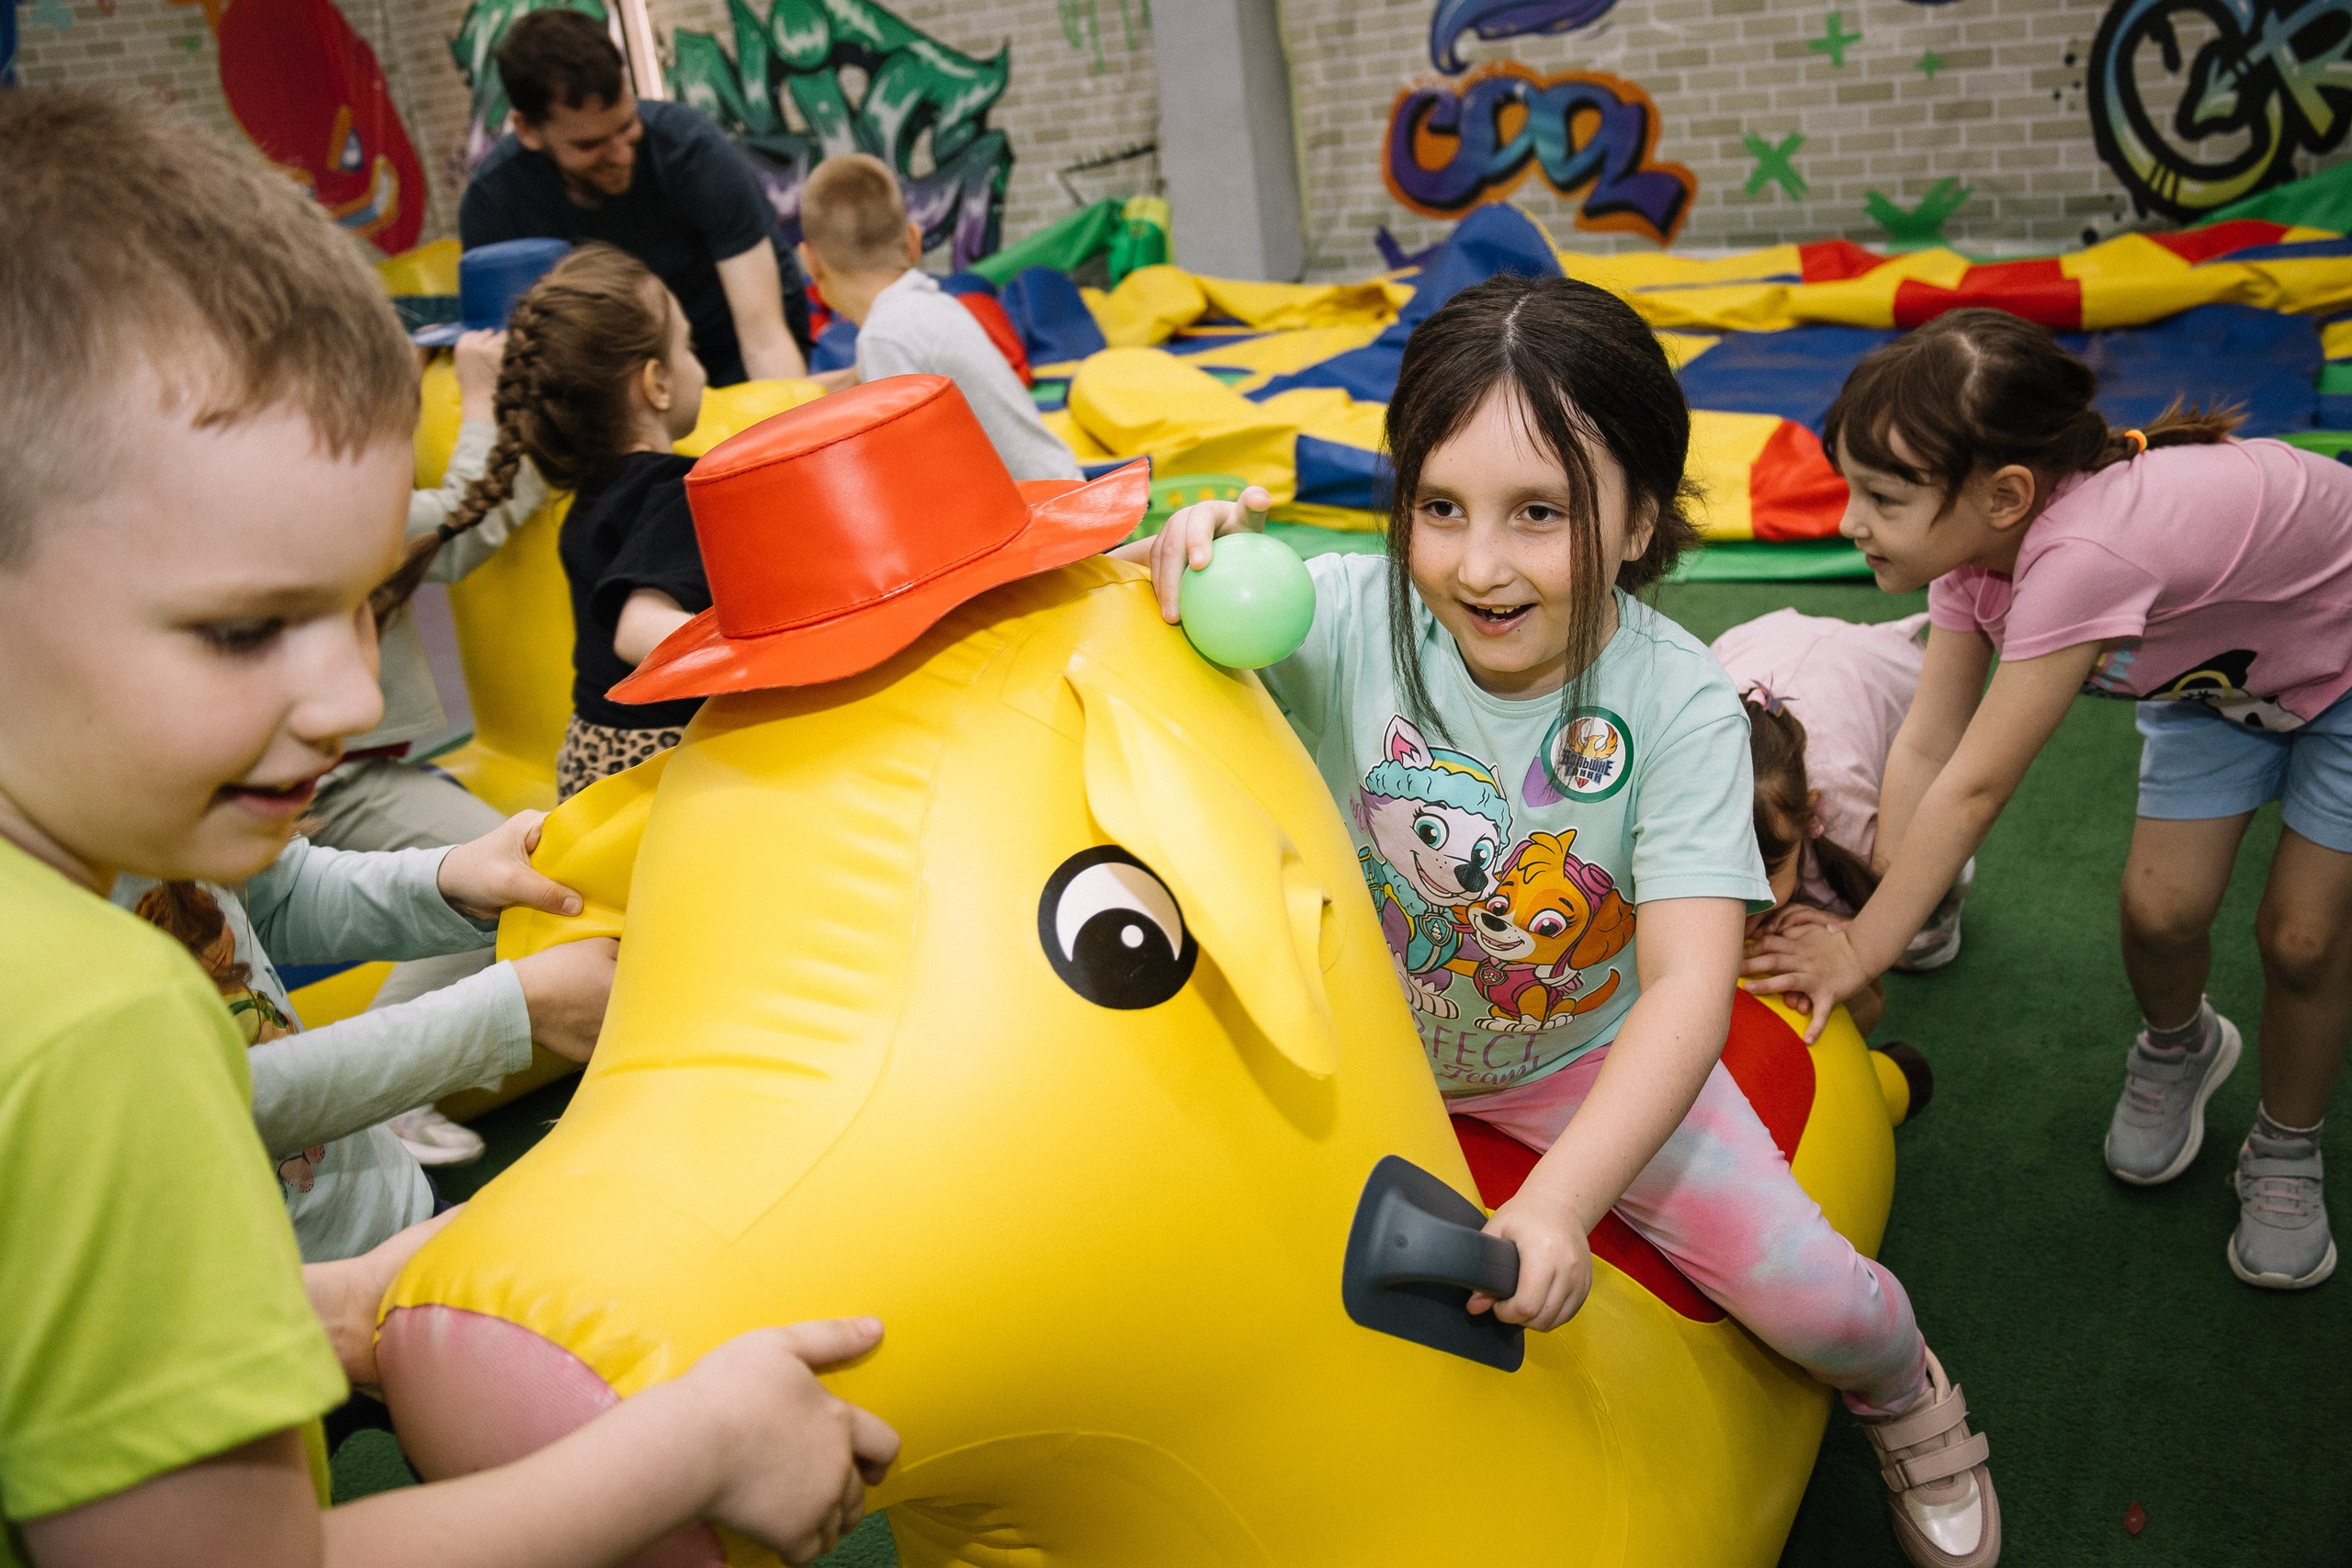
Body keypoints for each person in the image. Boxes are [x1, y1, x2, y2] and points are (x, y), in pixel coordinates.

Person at [0, 86, 894, 1565]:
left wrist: (322, 1311)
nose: (355, 694)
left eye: (364, 606)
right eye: (240, 630)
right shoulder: (108, 1026)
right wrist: (694, 1443)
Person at [1127, 275, 2000, 1568]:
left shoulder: (1684, 705)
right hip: (1363, 1053)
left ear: (1641, 514)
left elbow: (1691, 991)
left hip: (1578, 1057)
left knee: (1813, 1290)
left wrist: (1555, 1203)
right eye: (1439, 508)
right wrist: (1178, 556)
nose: (1480, 565)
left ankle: (1907, 1390)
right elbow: (1141, 657)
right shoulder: (1340, 616)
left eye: (1539, 513)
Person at [1746, 307, 2352, 1293]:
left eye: (1882, 497)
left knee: (2300, 940)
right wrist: (1896, 897)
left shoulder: (2082, 557)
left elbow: (1978, 783)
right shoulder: (1973, 562)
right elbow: (1928, 740)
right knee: (2159, 914)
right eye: (1850, 488)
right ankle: (2182, 1044)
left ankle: (2287, 1141)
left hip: (2342, 675)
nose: (1850, 521)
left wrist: (1863, 945)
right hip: (2218, 691)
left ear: (2006, 494)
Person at [119, 814, 616, 1264]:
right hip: (270, 1305)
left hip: (393, 1208)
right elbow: (211, 1101)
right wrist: (510, 1010)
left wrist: (447, 878)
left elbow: (271, 897)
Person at [316, 325, 553, 1169]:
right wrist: (483, 397)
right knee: (514, 878)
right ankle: (383, 1096)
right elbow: (476, 510)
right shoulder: (335, 510)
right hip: (342, 781)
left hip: (351, 773)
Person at [374, 245, 710, 802]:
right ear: (657, 383)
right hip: (658, 760)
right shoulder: (670, 490)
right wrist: (760, 656)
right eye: (689, 347)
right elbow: (638, 630)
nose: (699, 363)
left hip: (590, 757)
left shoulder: (588, 493)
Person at [459, 8, 808, 389]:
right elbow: (521, 368)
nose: (623, 155)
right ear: (527, 130)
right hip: (613, 376)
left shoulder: (692, 152)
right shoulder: (494, 206)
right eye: (590, 145)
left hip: (732, 345)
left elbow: (765, 338)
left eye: (627, 126)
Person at [1713, 611, 1975, 1033]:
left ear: (1809, 817)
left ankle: (1952, 879)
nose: (1740, 910)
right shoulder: (1673, 784)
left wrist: (1848, 932)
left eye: (1762, 882)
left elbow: (1868, 993)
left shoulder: (1846, 815)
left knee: (1911, 931)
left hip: (1894, 682)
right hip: (1760, 640)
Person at [796, 152, 1080, 481]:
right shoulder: (930, 308)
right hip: (1064, 488)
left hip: (1045, 519)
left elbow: (912, 474)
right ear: (914, 241)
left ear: (810, 261)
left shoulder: (884, 338)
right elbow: (855, 378)